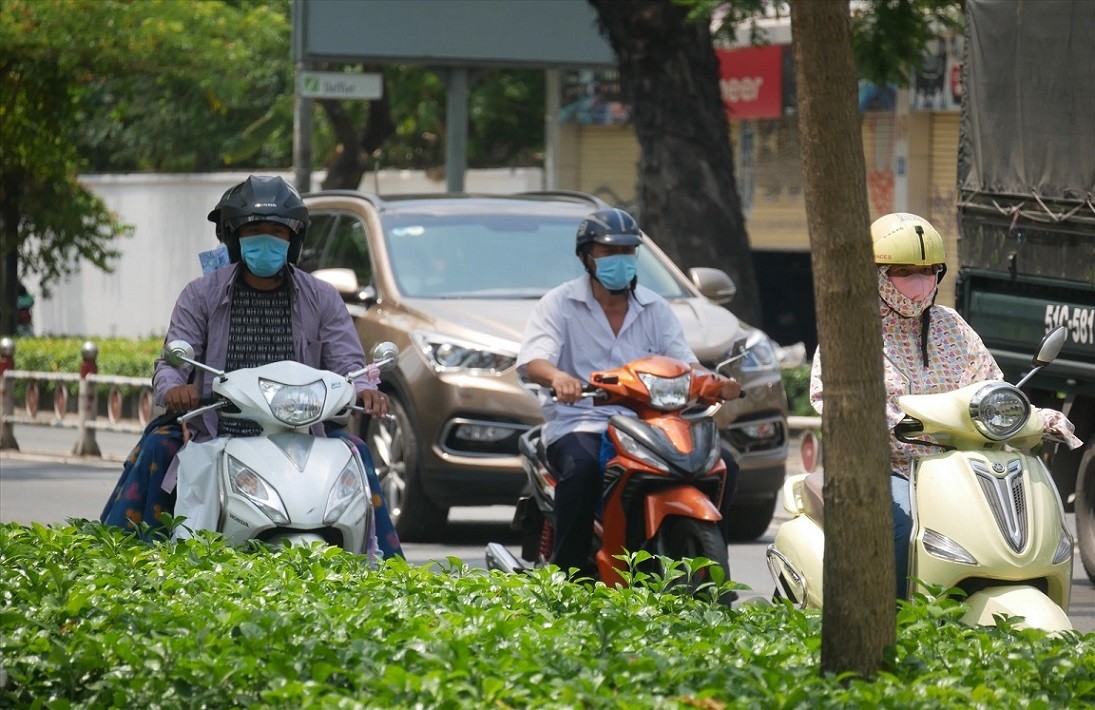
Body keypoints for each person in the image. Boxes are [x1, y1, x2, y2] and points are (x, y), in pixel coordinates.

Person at [101, 176, 404, 559]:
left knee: (357, 452)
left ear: (293, 239)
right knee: (159, 447)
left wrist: (365, 389)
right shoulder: (201, 295)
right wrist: (174, 387)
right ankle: (131, 562)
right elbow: (172, 361)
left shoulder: (323, 298)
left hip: (303, 432)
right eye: (254, 230)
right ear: (234, 238)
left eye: (277, 231)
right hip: (214, 429)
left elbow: (348, 363)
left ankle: (383, 569)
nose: (266, 240)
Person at [808, 212, 1081, 598]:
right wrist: (886, 421)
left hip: (960, 466)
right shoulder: (852, 329)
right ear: (875, 275)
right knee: (900, 526)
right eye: (904, 271)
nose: (920, 281)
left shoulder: (951, 325)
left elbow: (989, 387)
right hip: (889, 466)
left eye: (929, 271)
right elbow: (828, 396)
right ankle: (890, 617)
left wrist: (1035, 417)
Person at [517, 207, 742, 577]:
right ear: (586, 257)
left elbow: (685, 363)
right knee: (583, 471)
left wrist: (716, 382)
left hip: (650, 426)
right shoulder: (558, 304)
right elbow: (534, 360)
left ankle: (710, 562)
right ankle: (566, 576)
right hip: (581, 421)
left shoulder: (655, 307)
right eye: (609, 251)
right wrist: (558, 378)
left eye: (627, 251)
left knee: (725, 465)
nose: (620, 260)